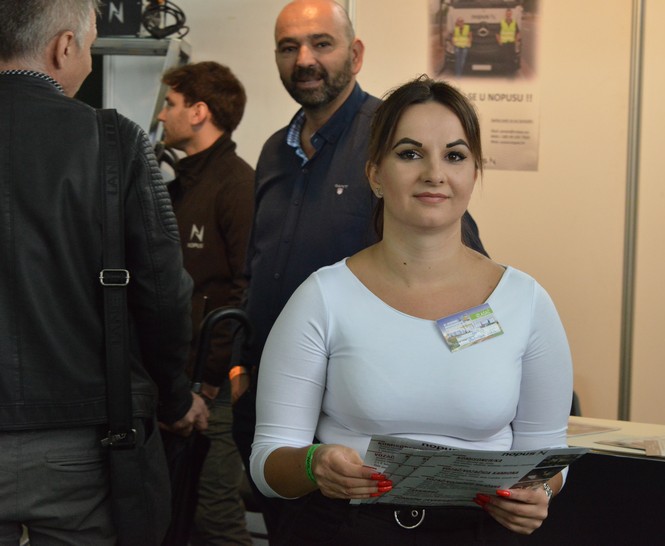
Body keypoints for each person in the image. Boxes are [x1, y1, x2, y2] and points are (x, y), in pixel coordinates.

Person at [249, 75, 574, 544]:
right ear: (375, 175)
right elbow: (267, 463)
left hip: (480, 531)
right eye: (409, 153)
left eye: (455, 156)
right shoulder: (323, 297)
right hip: (350, 529)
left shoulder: (525, 301)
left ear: (474, 174)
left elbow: (547, 454)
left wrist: (539, 491)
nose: (434, 173)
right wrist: (313, 464)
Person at [230, 0, 487, 541]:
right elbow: (256, 268)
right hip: (272, 411)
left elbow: (466, 287)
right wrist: (239, 367)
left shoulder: (394, 146)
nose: (304, 59)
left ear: (356, 53)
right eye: (288, 47)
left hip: (355, 423)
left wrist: (459, 387)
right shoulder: (275, 151)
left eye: (321, 43)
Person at [0, 0, 208, 544]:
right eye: (89, 47)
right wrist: (175, 397)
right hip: (83, 444)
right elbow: (163, 294)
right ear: (64, 46)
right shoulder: (115, 142)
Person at [158, 61, 254, 546]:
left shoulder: (237, 185)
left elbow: (245, 289)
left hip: (211, 389)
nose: (161, 115)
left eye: (170, 104)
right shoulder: (177, 186)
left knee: (215, 516)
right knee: (172, 514)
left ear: (198, 112)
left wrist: (213, 378)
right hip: (174, 382)